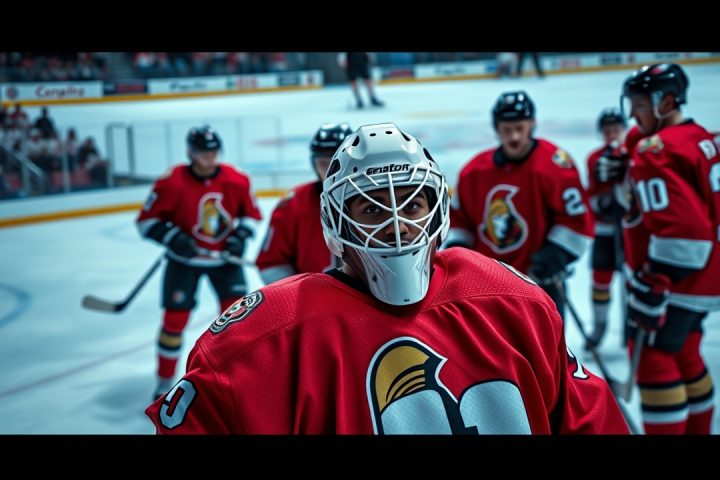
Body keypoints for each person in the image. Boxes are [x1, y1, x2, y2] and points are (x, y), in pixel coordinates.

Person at [146, 122, 628, 434]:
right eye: (373, 208)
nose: (397, 224)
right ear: (337, 220)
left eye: (412, 204)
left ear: (437, 208)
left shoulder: (513, 302)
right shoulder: (267, 337)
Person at [618, 63, 718, 434]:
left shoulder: (655, 151)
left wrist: (655, 279)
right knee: (686, 351)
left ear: (667, 102)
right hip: (707, 276)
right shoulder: (699, 136)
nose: (632, 113)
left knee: (653, 360)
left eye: (640, 104)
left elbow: (685, 234)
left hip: (679, 280)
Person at [136, 125, 262, 400]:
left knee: (237, 325)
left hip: (225, 263)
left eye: (214, 152)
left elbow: (252, 215)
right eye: (203, 152)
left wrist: (240, 236)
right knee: (174, 322)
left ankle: (233, 382)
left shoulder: (237, 179)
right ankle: (164, 383)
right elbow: (146, 222)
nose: (210, 157)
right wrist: (171, 237)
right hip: (184, 263)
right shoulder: (171, 182)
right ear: (190, 153)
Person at [446, 91, 593, 319]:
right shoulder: (473, 172)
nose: (514, 136)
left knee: (547, 340)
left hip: (540, 282)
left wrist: (555, 255)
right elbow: (459, 221)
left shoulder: (554, 165)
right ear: (496, 128)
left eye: (519, 128)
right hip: (488, 286)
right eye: (507, 129)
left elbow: (576, 220)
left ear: (532, 124)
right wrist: (461, 256)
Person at [256, 123, 352, 284]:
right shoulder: (293, 205)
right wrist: (300, 293)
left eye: (339, 162)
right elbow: (271, 263)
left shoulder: (377, 199)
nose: (332, 171)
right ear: (314, 164)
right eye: (324, 163)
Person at [584, 107, 628, 349]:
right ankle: (600, 326)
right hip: (604, 231)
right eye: (607, 130)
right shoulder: (594, 159)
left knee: (633, 282)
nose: (611, 134)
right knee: (600, 280)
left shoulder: (634, 154)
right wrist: (601, 204)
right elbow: (590, 193)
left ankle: (632, 325)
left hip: (630, 232)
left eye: (616, 129)